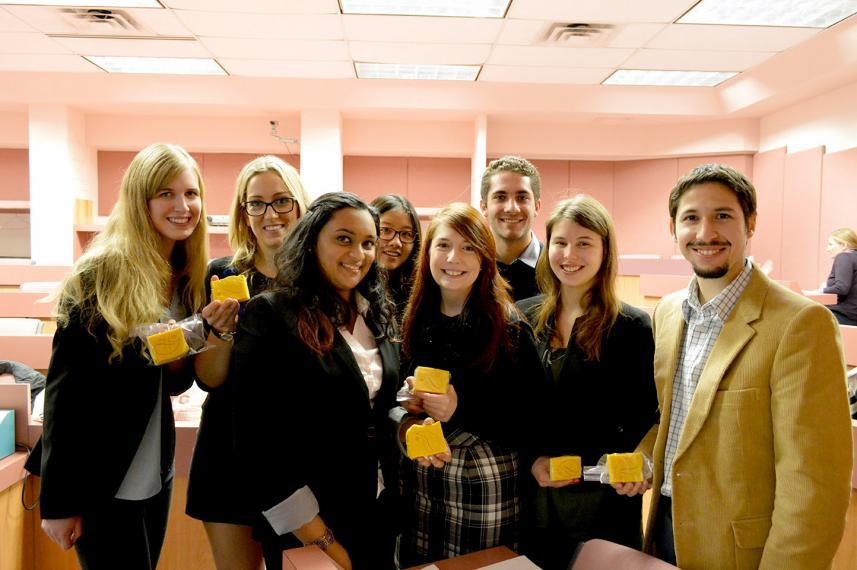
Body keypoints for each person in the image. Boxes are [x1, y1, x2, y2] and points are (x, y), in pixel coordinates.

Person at [615, 164, 852, 569]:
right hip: (666, 530)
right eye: (691, 218)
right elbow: (675, 422)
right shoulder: (668, 313)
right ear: (673, 227)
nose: (706, 233)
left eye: (723, 215)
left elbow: (814, 483)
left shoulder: (800, 324)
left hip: (745, 552)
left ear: (751, 223)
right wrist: (643, 458)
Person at [34, 143, 212, 569]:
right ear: (139, 200)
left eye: (190, 193)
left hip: (152, 472)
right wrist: (57, 502)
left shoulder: (183, 277)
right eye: (165, 194)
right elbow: (66, 390)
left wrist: (196, 340)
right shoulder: (103, 272)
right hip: (102, 479)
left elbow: (170, 382)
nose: (182, 206)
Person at [231, 192, 400, 570]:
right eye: (343, 238)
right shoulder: (272, 314)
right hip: (308, 524)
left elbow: (378, 407)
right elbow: (256, 443)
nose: (358, 253)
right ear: (311, 242)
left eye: (368, 243)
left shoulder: (375, 316)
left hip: (375, 513)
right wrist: (322, 538)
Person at [396, 202, 544, 566]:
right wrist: (410, 409)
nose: (454, 258)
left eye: (468, 247)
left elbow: (533, 419)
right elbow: (397, 396)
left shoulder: (508, 326)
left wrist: (461, 408)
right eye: (443, 245)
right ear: (427, 252)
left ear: (484, 259)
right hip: (424, 482)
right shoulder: (417, 317)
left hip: (483, 487)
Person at [517, 195, 657, 570]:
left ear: (605, 250)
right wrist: (532, 460)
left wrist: (641, 463)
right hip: (536, 499)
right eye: (560, 243)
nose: (569, 254)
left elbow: (648, 415)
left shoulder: (632, 326)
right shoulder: (522, 316)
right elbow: (514, 407)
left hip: (604, 504)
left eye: (584, 243)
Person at [186, 156, 311, 570]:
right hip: (228, 449)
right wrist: (220, 333)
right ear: (243, 212)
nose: (269, 214)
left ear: (299, 205)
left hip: (295, 454)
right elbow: (209, 380)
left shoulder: (318, 280)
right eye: (255, 203)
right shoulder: (221, 275)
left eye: (281, 201)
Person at [479, 156, 543, 301]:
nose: (512, 208)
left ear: (537, 207)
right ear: (484, 207)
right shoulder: (469, 266)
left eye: (522, 198)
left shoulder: (557, 268)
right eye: (500, 197)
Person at [370, 194, 421, 320]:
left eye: (406, 234)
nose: (396, 242)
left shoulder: (417, 294)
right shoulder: (350, 291)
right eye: (386, 230)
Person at [823, 227, 857, 325]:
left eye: (830, 244)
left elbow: (841, 288)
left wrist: (821, 290)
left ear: (843, 245)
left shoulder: (844, 256)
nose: (827, 249)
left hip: (844, 316)